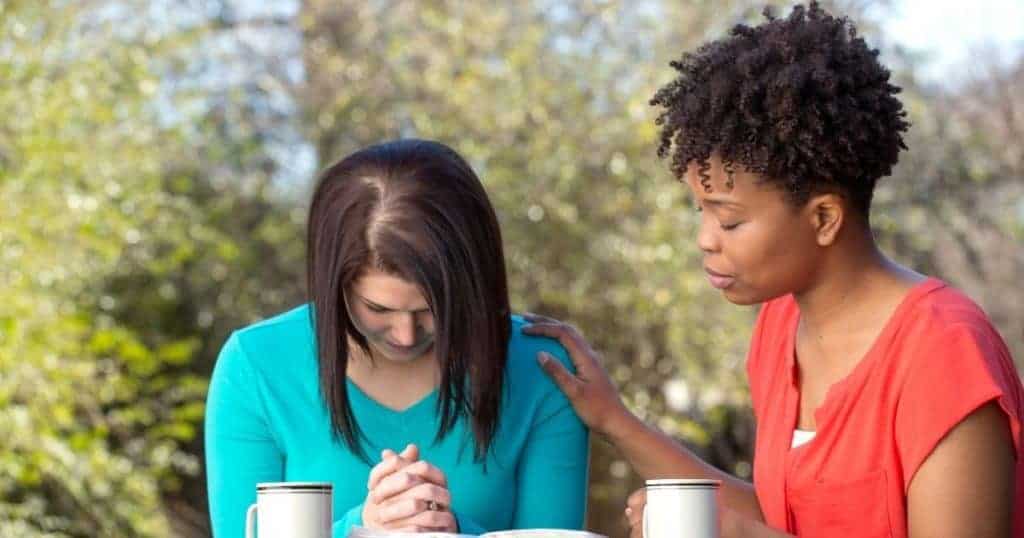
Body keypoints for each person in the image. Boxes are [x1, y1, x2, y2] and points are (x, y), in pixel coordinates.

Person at [523, 3, 1023, 537]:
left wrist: (738, 536)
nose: (704, 240)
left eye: (730, 220)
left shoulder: (943, 355)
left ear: (824, 217)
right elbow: (791, 520)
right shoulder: (780, 327)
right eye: (701, 210)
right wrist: (613, 421)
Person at [205, 139, 589, 537]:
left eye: (430, 311)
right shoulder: (256, 365)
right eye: (378, 309)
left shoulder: (539, 366)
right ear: (336, 283)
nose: (406, 335)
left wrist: (451, 530)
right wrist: (359, 529)